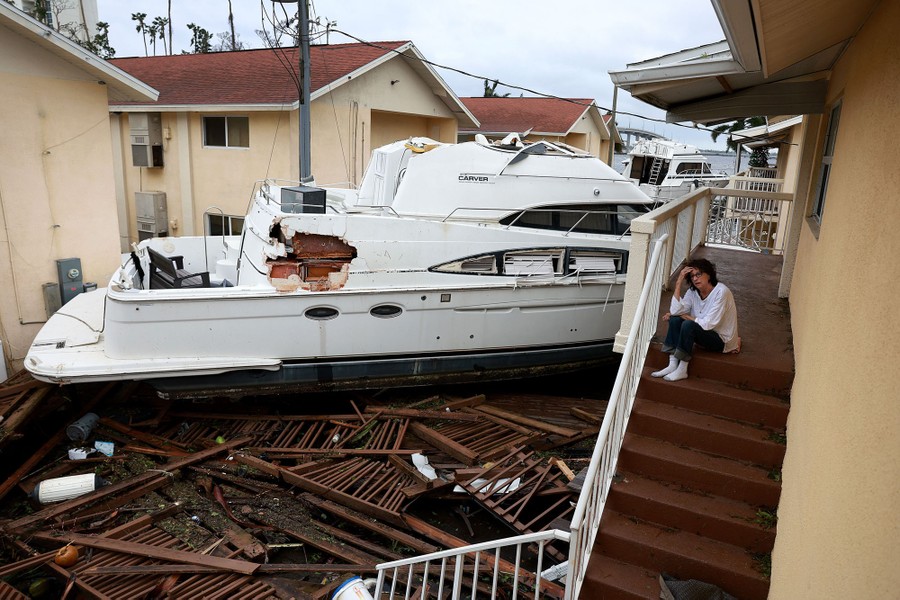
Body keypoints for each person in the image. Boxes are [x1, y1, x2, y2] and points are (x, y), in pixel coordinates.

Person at [652, 258, 740, 382]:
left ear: (709, 274)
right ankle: (672, 364)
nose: (695, 279)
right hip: (704, 334)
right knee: (675, 320)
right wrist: (678, 282)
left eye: (698, 274)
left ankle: (682, 369)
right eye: (692, 276)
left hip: (721, 340)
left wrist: (684, 316)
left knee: (688, 325)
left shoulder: (721, 292)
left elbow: (707, 324)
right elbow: (676, 311)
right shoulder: (693, 292)